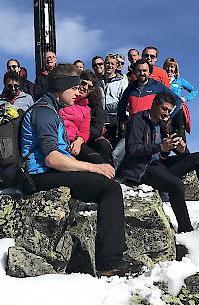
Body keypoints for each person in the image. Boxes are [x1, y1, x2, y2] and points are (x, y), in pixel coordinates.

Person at [21, 64, 137, 277]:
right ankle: (110, 263)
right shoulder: (44, 112)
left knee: (107, 183)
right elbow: (52, 158)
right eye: (74, 88)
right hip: (41, 176)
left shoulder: (50, 109)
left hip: (48, 172)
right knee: (109, 189)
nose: (78, 93)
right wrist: (93, 167)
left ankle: (112, 258)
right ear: (61, 87)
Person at [116, 92, 199, 233]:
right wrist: (159, 147)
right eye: (164, 109)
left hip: (158, 164)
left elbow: (165, 151)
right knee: (176, 185)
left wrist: (181, 150)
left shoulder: (162, 124)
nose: (166, 113)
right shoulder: (138, 120)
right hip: (141, 169)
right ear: (154, 105)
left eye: (169, 111)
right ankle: (186, 229)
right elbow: (132, 150)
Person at [118, 59, 182, 129]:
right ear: (135, 72)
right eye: (139, 71)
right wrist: (123, 120)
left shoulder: (157, 86)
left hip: (152, 128)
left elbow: (177, 100)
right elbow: (121, 105)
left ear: (149, 72)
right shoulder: (130, 88)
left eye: (144, 71)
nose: (142, 73)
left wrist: (169, 116)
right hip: (133, 128)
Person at [100, 55, 128, 168]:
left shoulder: (122, 81)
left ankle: (115, 168)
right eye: (107, 63)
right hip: (103, 118)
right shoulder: (99, 81)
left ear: (116, 66)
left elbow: (125, 100)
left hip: (118, 117)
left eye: (112, 64)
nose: (109, 66)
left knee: (119, 145)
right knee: (108, 145)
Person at [163, 57, 197, 136]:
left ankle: (183, 147)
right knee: (165, 135)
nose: (169, 69)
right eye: (167, 66)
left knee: (179, 134)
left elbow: (194, 91)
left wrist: (185, 98)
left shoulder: (180, 80)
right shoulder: (161, 79)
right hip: (164, 110)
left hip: (177, 110)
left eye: (172, 67)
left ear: (175, 69)